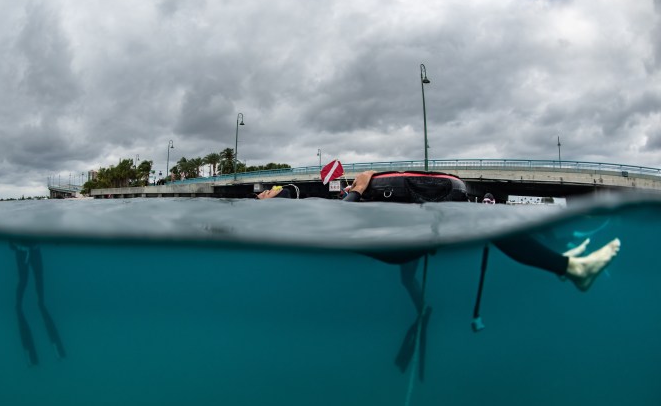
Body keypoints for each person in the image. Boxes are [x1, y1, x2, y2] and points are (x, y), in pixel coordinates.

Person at [259, 171, 622, 291]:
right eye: (265, 192)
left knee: (488, 226)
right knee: (488, 226)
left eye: (268, 189)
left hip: (394, 244)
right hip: (392, 244)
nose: (266, 190)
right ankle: (572, 269)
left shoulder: (290, 207)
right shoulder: (286, 215)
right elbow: (337, 222)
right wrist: (357, 187)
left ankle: (563, 261)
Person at [11, 240, 66, 365]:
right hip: (25, 250)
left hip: (31, 250)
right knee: (26, 282)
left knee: (35, 283)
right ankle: (19, 307)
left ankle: (22, 307)